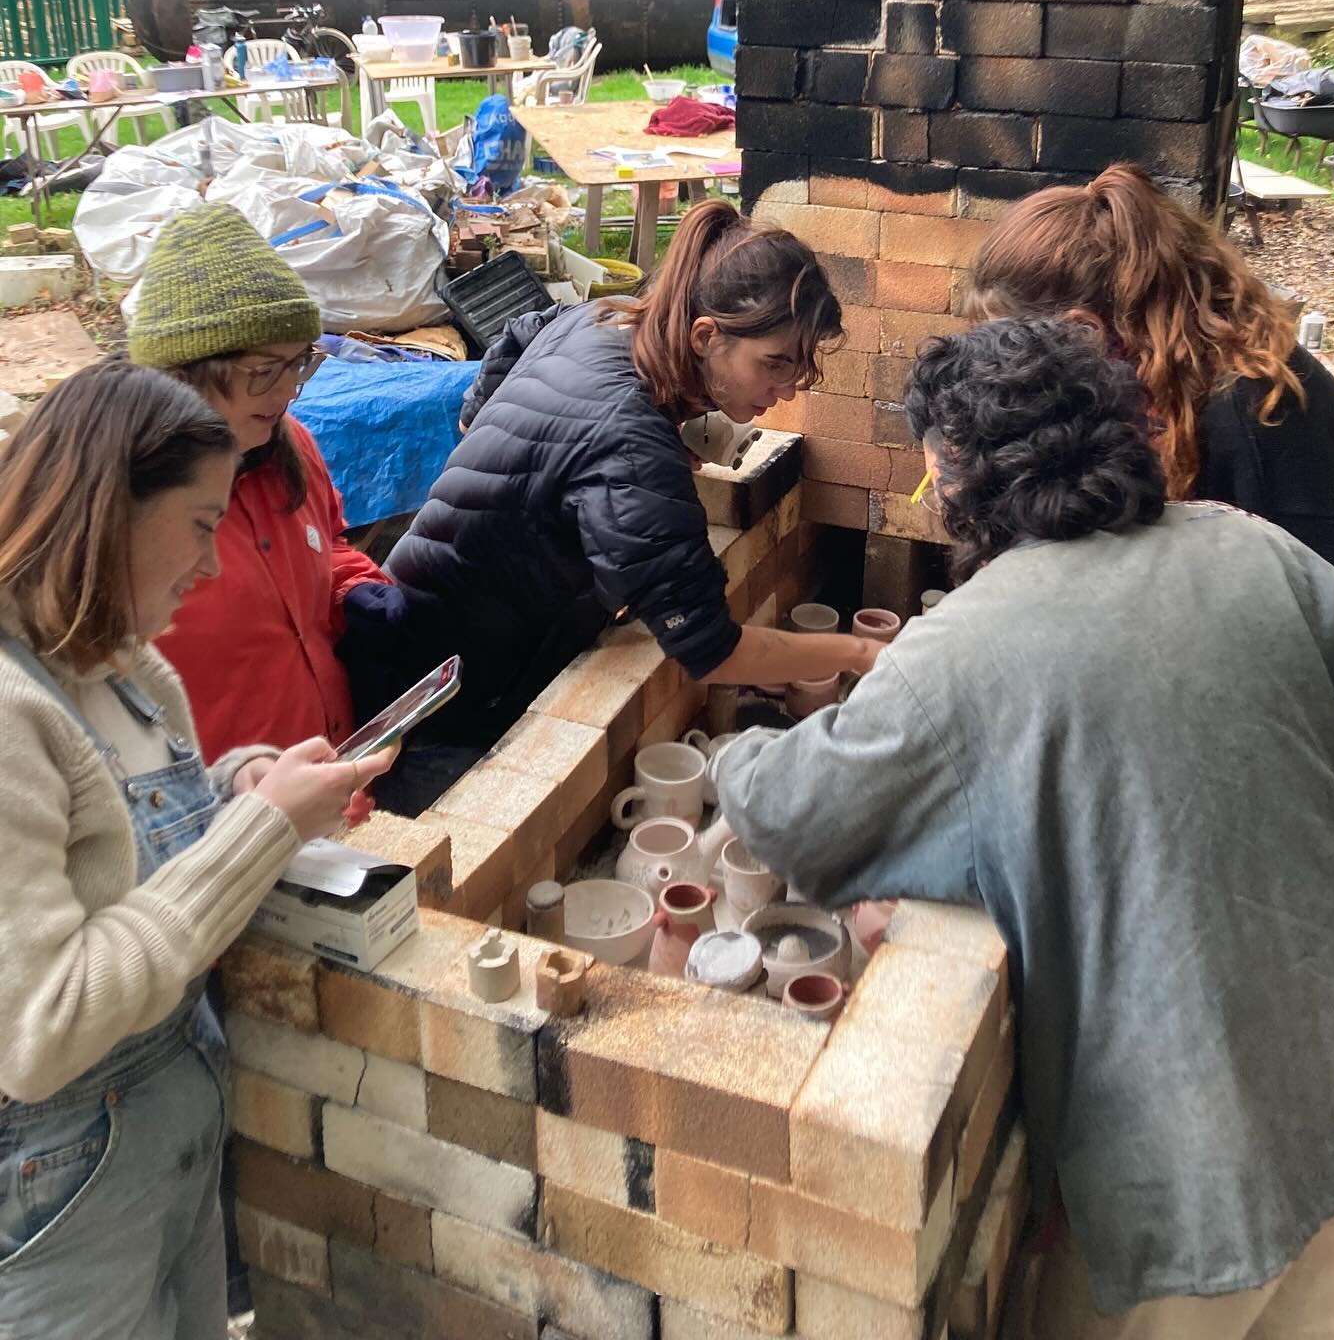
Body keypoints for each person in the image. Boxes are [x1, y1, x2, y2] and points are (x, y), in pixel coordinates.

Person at [718, 319, 1334, 1340]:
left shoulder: (964, 650)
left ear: (957, 477)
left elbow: (786, 812)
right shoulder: (1256, 547)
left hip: (1184, 1184)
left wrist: (741, 742)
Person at [959, 162, 1334, 968]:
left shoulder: (1262, 420)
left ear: (1081, 332)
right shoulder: (1174, 386)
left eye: (1017, 349)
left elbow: (1331, 667)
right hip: (1311, 747)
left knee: (1310, 997)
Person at [0, 359, 392, 1339]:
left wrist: (240, 786)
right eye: (205, 525)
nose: (214, 567)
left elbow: (128, 844)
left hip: (171, 1125)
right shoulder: (11, 716)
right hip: (66, 1190)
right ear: (107, 512)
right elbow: (41, 1029)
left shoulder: (122, 662)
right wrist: (261, 834)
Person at [342, 199, 880, 814]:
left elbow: (521, 332)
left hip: (418, 617)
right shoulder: (630, 439)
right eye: (774, 363)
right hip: (438, 695)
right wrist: (862, 653)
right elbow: (710, 649)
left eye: (798, 369)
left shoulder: (603, 320)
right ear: (706, 336)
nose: (784, 390)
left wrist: (481, 425)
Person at [126, 201, 390, 761]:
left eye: (300, 363)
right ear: (183, 374)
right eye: (264, 370)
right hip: (221, 810)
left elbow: (329, 547)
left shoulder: (290, 445)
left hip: (323, 773)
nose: (288, 390)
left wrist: (358, 591)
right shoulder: (126, 509)